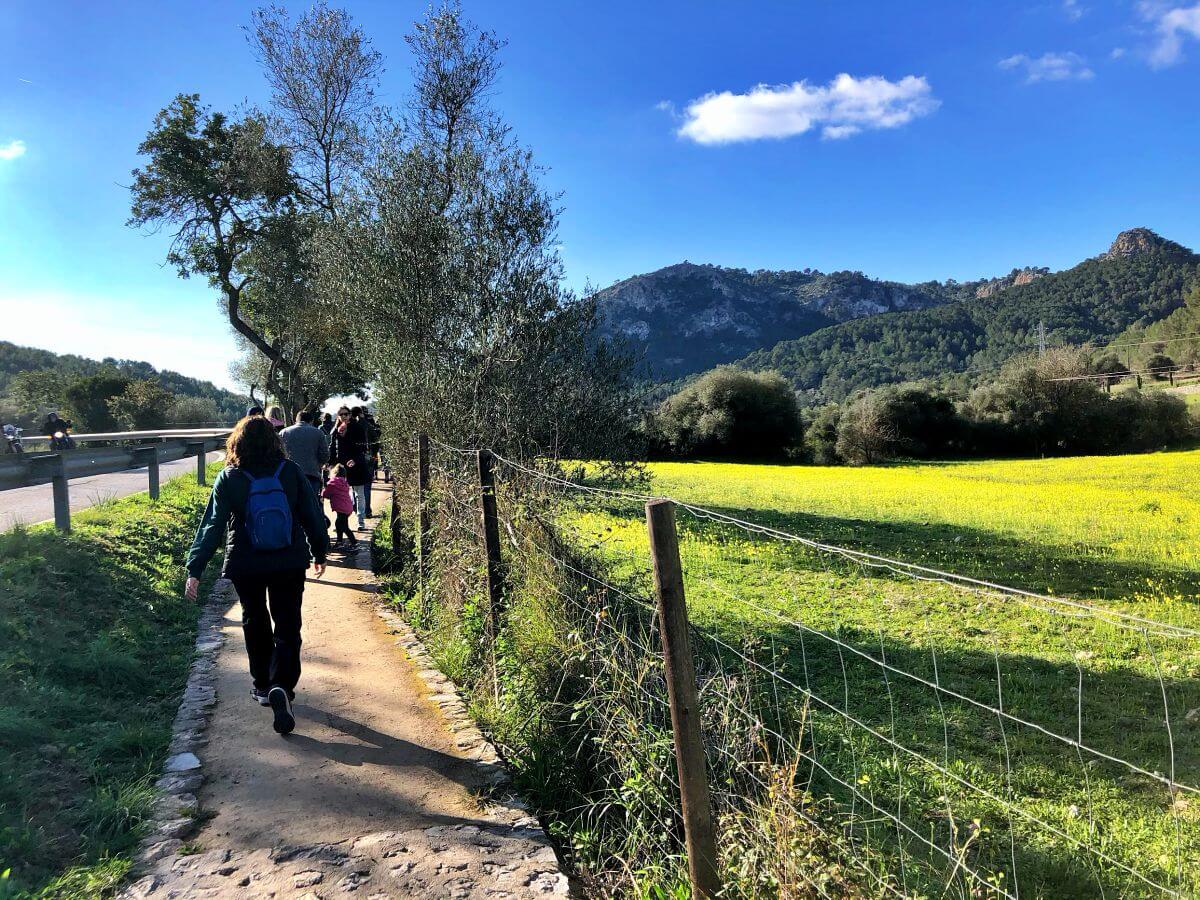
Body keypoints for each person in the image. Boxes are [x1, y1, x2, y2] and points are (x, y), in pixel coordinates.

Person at [184, 416, 329, 735]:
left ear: (237, 443)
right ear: (275, 441)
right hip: (288, 561)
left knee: (255, 619)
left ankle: (263, 684)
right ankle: (282, 686)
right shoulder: (290, 472)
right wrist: (320, 550)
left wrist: (195, 568)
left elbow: (212, 526)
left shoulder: (229, 477)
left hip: (246, 563)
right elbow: (312, 516)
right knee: (288, 623)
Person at [328, 406, 369, 530]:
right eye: (341, 414)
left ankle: (361, 521)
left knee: (359, 494)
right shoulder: (335, 430)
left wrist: (355, 459)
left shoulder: (357, 428)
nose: (344, 416)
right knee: (341, 495)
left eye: (346, 414)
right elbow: (332, 447)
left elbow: (363, 446)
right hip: (340, 467)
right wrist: (330, 462)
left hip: (356, 465)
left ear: (350, 415)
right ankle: (341, 522)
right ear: (338, 416)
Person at [280, 410, 329, 503]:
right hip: (311, 475)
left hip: (289, 475)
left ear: (296, 420)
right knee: (310, 505)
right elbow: (325, 455)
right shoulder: (318, 433)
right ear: (311, 421)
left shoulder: (284, 432)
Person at [322, 464, 358, 552]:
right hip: (347, 507)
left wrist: (322, 493)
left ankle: (354, 543)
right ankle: (339, 542)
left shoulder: (332, 483)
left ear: (334, 472)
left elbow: (326, 494)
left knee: (344, 526)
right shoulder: (345, 483)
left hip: (341, 508)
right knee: (339, 524)